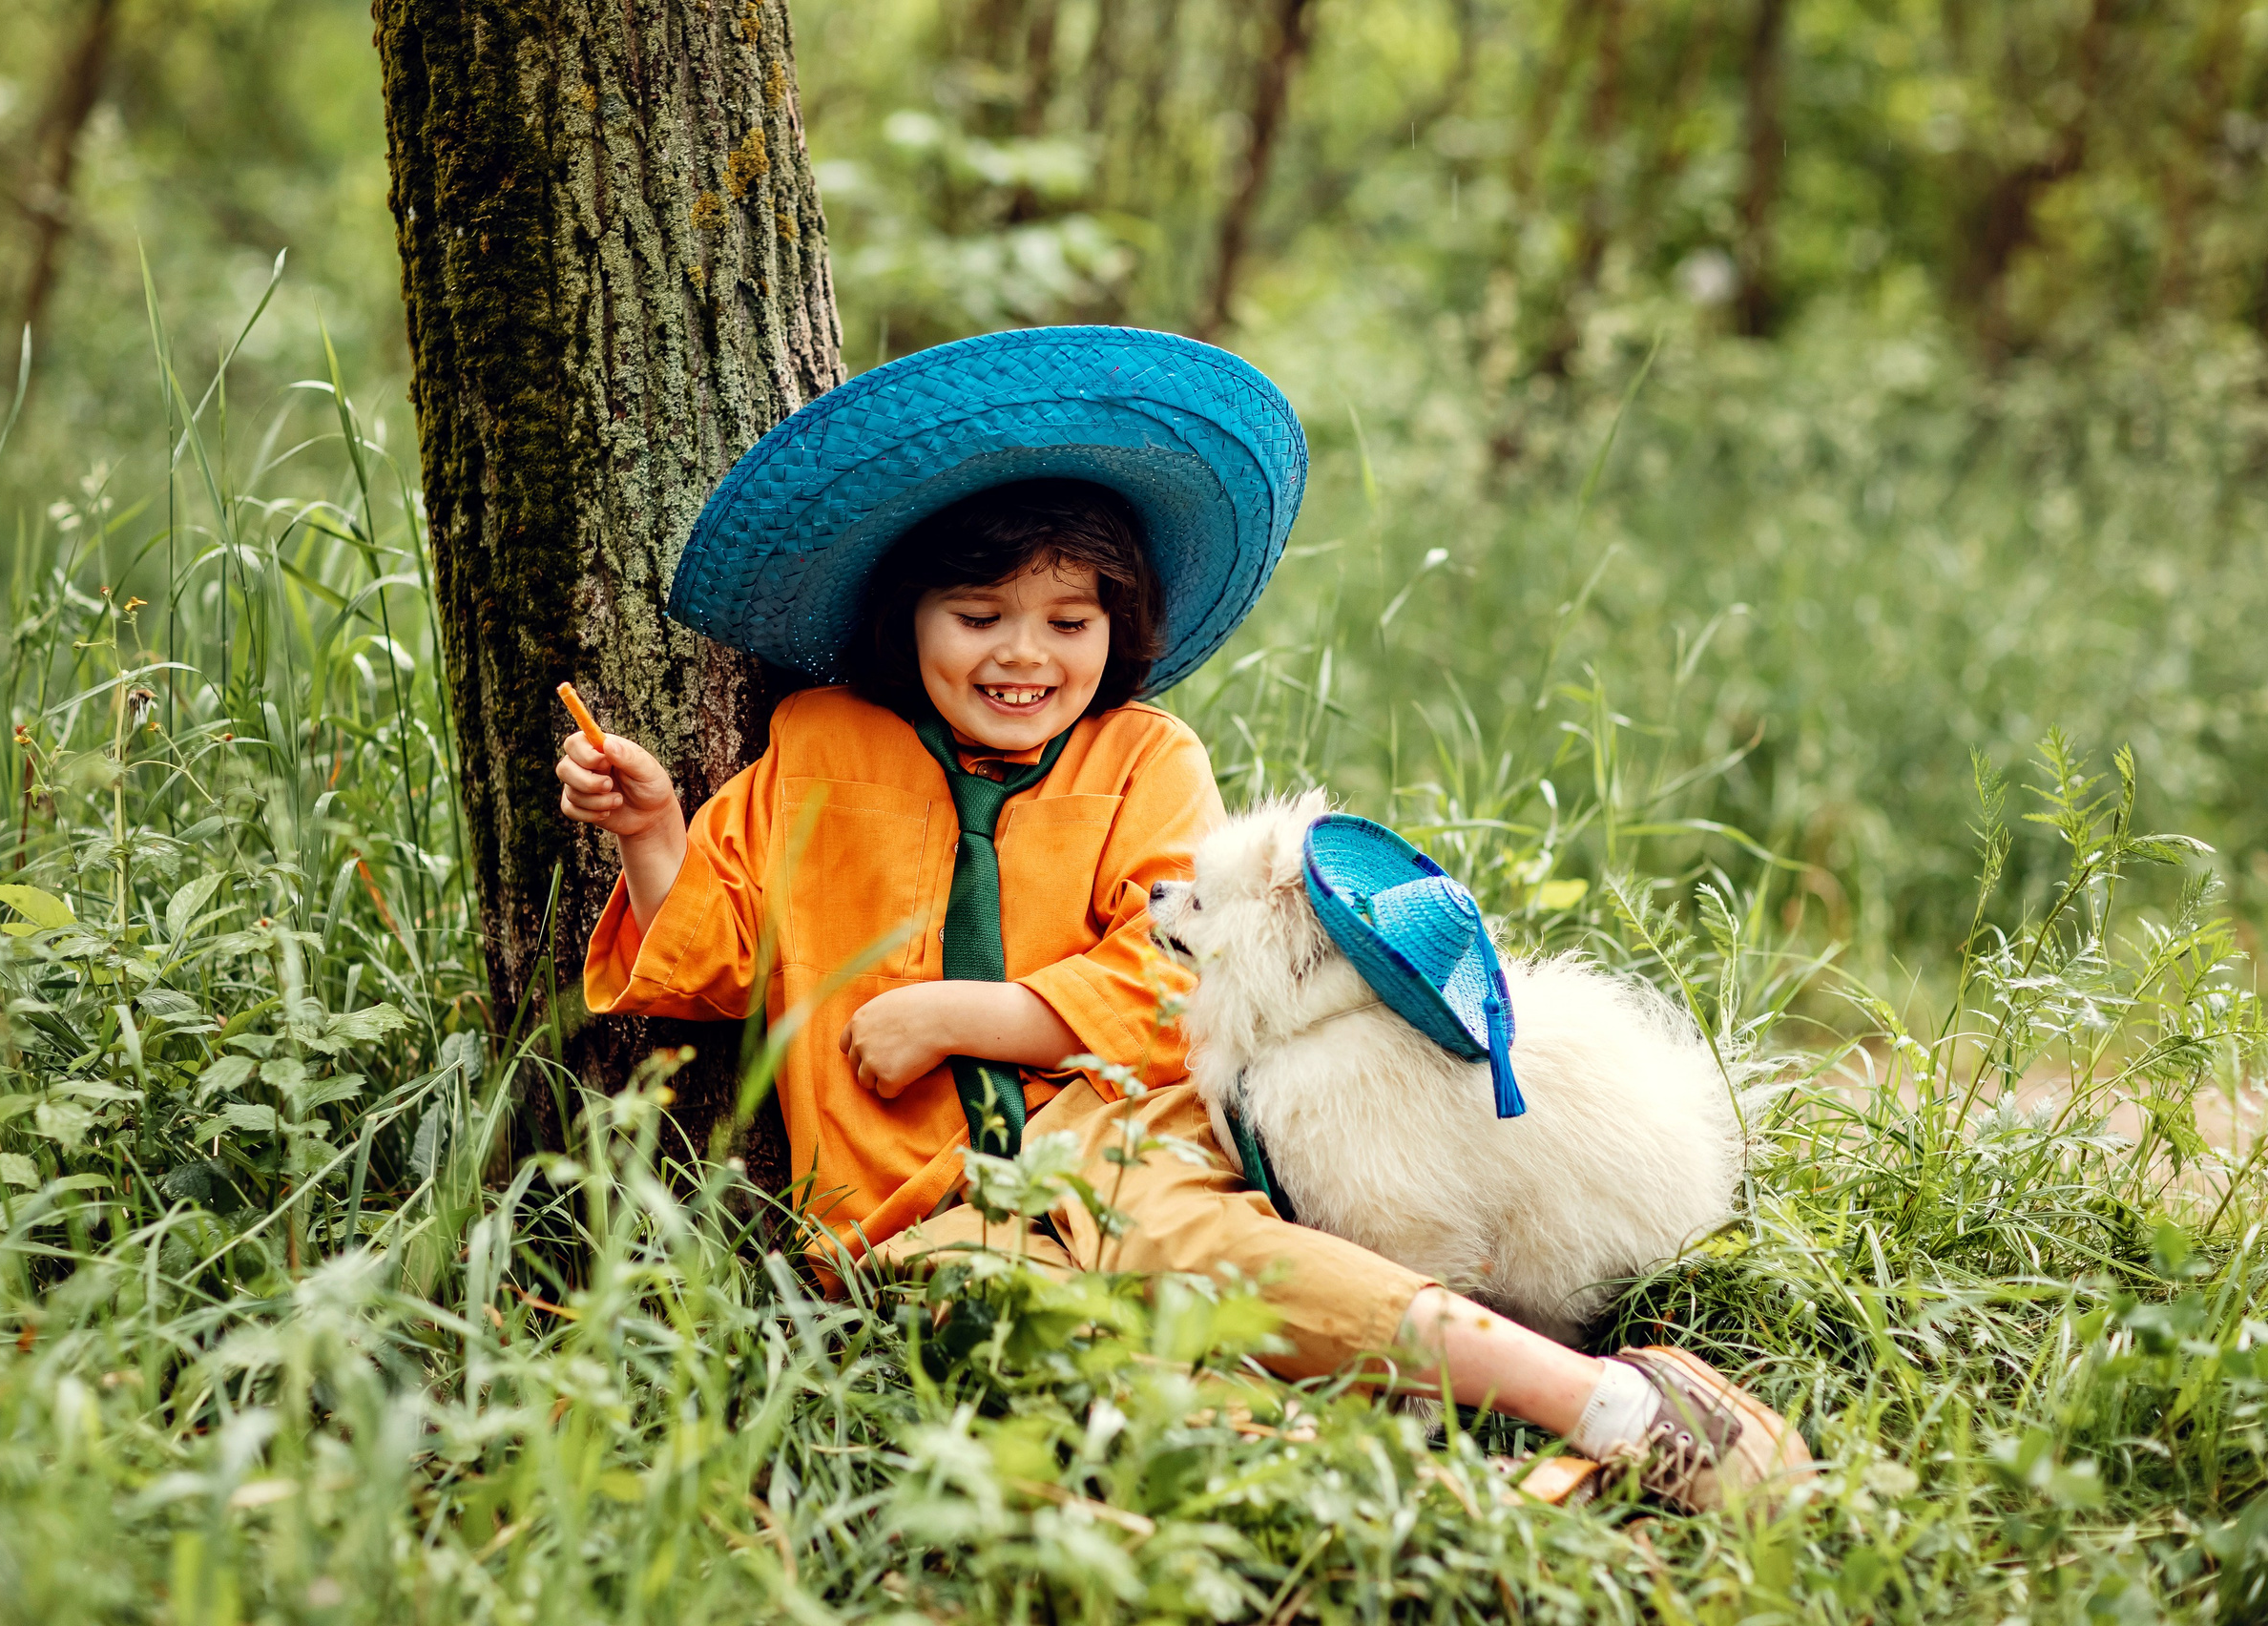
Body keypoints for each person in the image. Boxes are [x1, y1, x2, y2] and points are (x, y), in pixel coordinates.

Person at [557, 326, 1810, 1515]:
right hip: (907, 1202)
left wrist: (965, 1014)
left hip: (1116, 1126)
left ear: (1121, 627)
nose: (1023, 656)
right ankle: (1435, 1498)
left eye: (1069, 622)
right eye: (977, 616)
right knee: (1040, 1348)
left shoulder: (1147, 759)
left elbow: (1184, 979)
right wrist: (653, 831)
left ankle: (1609, 1405)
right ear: (907, 620)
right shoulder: (818, 750)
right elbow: (715, 959)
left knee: (1205, 1249)